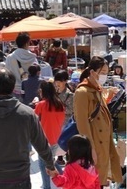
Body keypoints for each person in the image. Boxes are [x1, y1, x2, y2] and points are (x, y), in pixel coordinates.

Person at [74, 56, 122, 187]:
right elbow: (82, 124)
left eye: (107, 73)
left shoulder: (97, 89)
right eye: (103, 73)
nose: (105, 76)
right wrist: (91, 149)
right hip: (94, 145)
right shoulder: (82, 92)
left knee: (99, 180)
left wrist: (110, 95)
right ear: (92, 72)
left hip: (103, 143)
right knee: (92, 182)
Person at [34, 80, 65, 189]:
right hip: (56, 138)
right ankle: (65, 179)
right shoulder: (60, 104)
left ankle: (47, 187)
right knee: (50, 161)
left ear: (42, 91)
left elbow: (34, 120)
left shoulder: (41, 105)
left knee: (44, 165)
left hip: (43, 140)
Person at [5, 32, 38, 99]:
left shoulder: (10, 57)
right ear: (26, 44)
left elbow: (7, 74)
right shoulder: (32, 57)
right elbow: (38, 73)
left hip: (14, 90)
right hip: (30, 89)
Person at [54, 69, 74, 165]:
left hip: (65, 122)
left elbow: (71, 109)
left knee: (66, 142)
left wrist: (59, 109)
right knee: (58, 141)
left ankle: (69, 160)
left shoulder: (69, 95)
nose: (57, 83)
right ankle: (60, 158)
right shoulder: (54, 92)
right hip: (55, 122)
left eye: (60, 81)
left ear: (65, 81)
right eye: (56, 81)